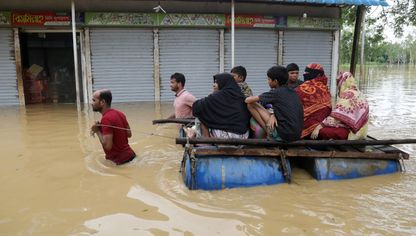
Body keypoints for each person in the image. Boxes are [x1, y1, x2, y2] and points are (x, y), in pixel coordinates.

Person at [245, 66, 304, 142]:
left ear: (275, 81)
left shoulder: (276, 92)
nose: (268, 81)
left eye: (269, 79)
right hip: (296, 135)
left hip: (283, 136)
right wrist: (273, 115)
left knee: (251, 105)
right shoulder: (293, 92)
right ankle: (271, 132)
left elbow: (248, 100)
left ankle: (269, 133)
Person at [310, 72, 369, 140]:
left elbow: (336, 117)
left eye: (338, 81)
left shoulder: (348, 94)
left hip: (352, 133)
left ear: (343, 82)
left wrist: (319, 126)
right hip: (361, 133)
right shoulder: (359, 93)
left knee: (322, 131)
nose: (337, 84)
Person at [192, 73, 250, 139]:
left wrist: (213, 94)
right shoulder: (240, 95)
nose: (213, 85)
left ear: (223, 83)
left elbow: (195, 107)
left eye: (216, 82)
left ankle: (205, 140)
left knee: (201, 113)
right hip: (243, 137)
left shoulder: (217, 97)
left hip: (224, 137)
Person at [90, 89, 136, 165]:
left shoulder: (106, 119)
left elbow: (108, 146)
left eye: (94, 100)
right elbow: (129, 134)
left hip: (120, 162)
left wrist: (97, 131)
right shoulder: (120, 114)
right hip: (131, 156)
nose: (91, 103)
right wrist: (101, 128)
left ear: (102, 102)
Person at [295, 63, 332, 139]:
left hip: (306, 128)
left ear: (318, 75)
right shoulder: (325, 88)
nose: (305, 74)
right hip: (321, 126)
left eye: (308, 73)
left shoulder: (301, 89)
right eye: (305, 72)